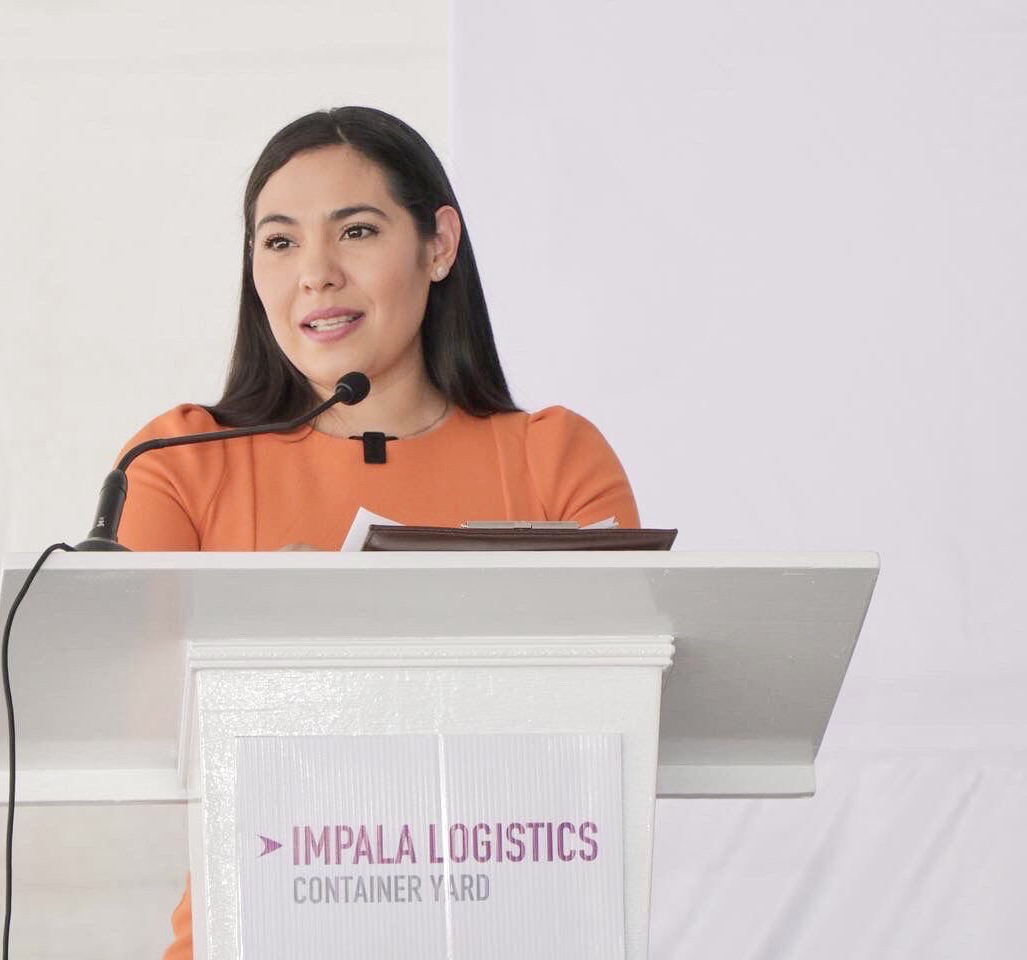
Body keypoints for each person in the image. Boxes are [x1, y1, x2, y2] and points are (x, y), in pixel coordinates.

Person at [112, 106, 639, 959]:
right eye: (279, 242)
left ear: (439, 245)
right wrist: (255, 621)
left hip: (513, 922)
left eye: (355, 231)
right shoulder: (181, 461)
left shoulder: (554, 459)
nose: (315, 275)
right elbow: (126, 721)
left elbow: (618, 715)